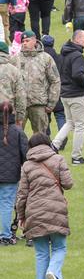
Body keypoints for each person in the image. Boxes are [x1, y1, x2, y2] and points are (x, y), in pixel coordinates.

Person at [16, 132, 72, 279]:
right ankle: (53, 271)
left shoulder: (27, 166)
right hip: (56, 209)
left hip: (34, 211)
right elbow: (68, 184)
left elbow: (22, 194)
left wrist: (21, 216)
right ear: (48, 143)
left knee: (41, 253)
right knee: (59, 247)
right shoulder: (58, 159)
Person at [0, 103, 28, 247]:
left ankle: (5, 235)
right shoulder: (18, 131)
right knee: (6, 204)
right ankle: (5, 236)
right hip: (10, 175)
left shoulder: (17, 131)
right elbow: (25, 154)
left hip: (9, 174)